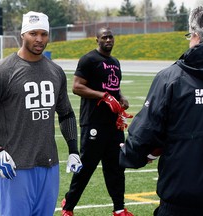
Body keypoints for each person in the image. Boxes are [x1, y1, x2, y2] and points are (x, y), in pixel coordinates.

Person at [119, 4, 203, 216]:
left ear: (198, 36)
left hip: (180, 203)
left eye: (190, 35)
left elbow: (142, 139)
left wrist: (129, 154)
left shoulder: (171, 78)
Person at [0, 11, 82, 216]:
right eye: (33, 33)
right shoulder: (3, 71)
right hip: (16, 166)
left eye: (43, 34)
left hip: (49, 164)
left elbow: (66, 113)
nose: (39, 39)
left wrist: (73, 150)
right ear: (23, 34)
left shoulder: (55, 71)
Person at [61, 27, 134, 216]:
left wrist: (121, 98)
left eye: (110, 37)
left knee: (116, 168)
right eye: (104, 37)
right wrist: (103, 96)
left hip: (114, 125)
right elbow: (77, 87)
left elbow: (113, 89)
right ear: (97, 40)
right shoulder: (88, 59)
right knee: (86, 167)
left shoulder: (115, 62)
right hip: (93, 123)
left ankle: (119, 209)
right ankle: (68, 207)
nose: (108, 40)